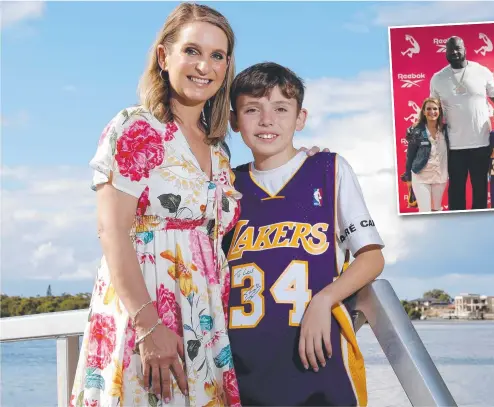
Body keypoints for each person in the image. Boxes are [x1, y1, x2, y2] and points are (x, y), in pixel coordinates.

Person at [69, 4, 323, 407]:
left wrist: (301, 161)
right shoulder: (137, 126)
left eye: (217, 56)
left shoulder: (218, 150)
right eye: (192, 51)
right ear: (163, 56)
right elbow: (112, 231)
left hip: (204, 320)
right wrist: (149, 326)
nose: (204, 65)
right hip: (147, 312)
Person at [224, 62, 385, 406]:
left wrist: (325, 298)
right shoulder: (226, 186)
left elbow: (371, 256)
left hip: (317, 365)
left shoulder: (329, 170)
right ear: (234, 120)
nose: (268, 120)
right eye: (252, 109)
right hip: (242, 370)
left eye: (281, 109)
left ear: (300, 118)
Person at [430, 36, 494, 211]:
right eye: (450, 49)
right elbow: (433, 110)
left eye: (457, 48)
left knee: (480, 188)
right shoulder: (438, 78)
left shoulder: (481, 71)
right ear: (445, 53)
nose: (454, 52)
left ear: (465, 49)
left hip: (481, 142)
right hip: (454, 145)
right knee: (456, 190)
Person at [401, 97, 449, 212]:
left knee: (437, 210)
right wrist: (408, 177)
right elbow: (410, 155)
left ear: (439, 111)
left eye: (435, 108)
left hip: (440, 176)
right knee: (425, 212)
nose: (432, 112)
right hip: (421, 177)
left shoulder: (446, 130)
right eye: (428, 109)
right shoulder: (416, 130)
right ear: (423, 111)